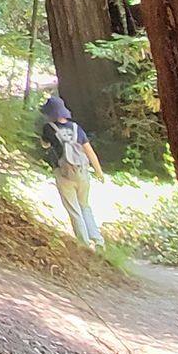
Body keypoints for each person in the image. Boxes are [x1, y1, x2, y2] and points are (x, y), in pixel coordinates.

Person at [38, 93, 106, 250]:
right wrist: (99, 172)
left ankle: (84, 244)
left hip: (64, 174)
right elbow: (89, 152)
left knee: (74, 210)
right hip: (82, 172)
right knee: (85, 206)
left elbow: (45, 145)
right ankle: (98, 240)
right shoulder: (76, 128)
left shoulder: (48, 128)